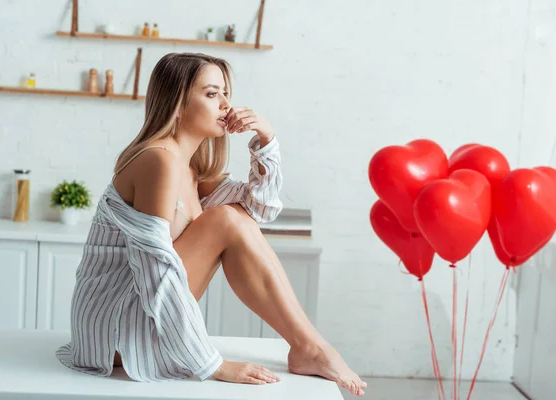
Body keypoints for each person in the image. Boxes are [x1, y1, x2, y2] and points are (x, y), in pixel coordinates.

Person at [56, 52, 366, 397]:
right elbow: (154, 269)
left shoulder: (189, 168)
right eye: (212, 93)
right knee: (224, 219)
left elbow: (259, 212)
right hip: (112, 335)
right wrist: (211, 364)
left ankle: (309, 346)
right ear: (177, 103)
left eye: (226, 94)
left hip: (142, 317)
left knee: (233, 217)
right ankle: (311, 347)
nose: (226, 105)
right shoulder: (159, 160)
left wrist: (266, 139)